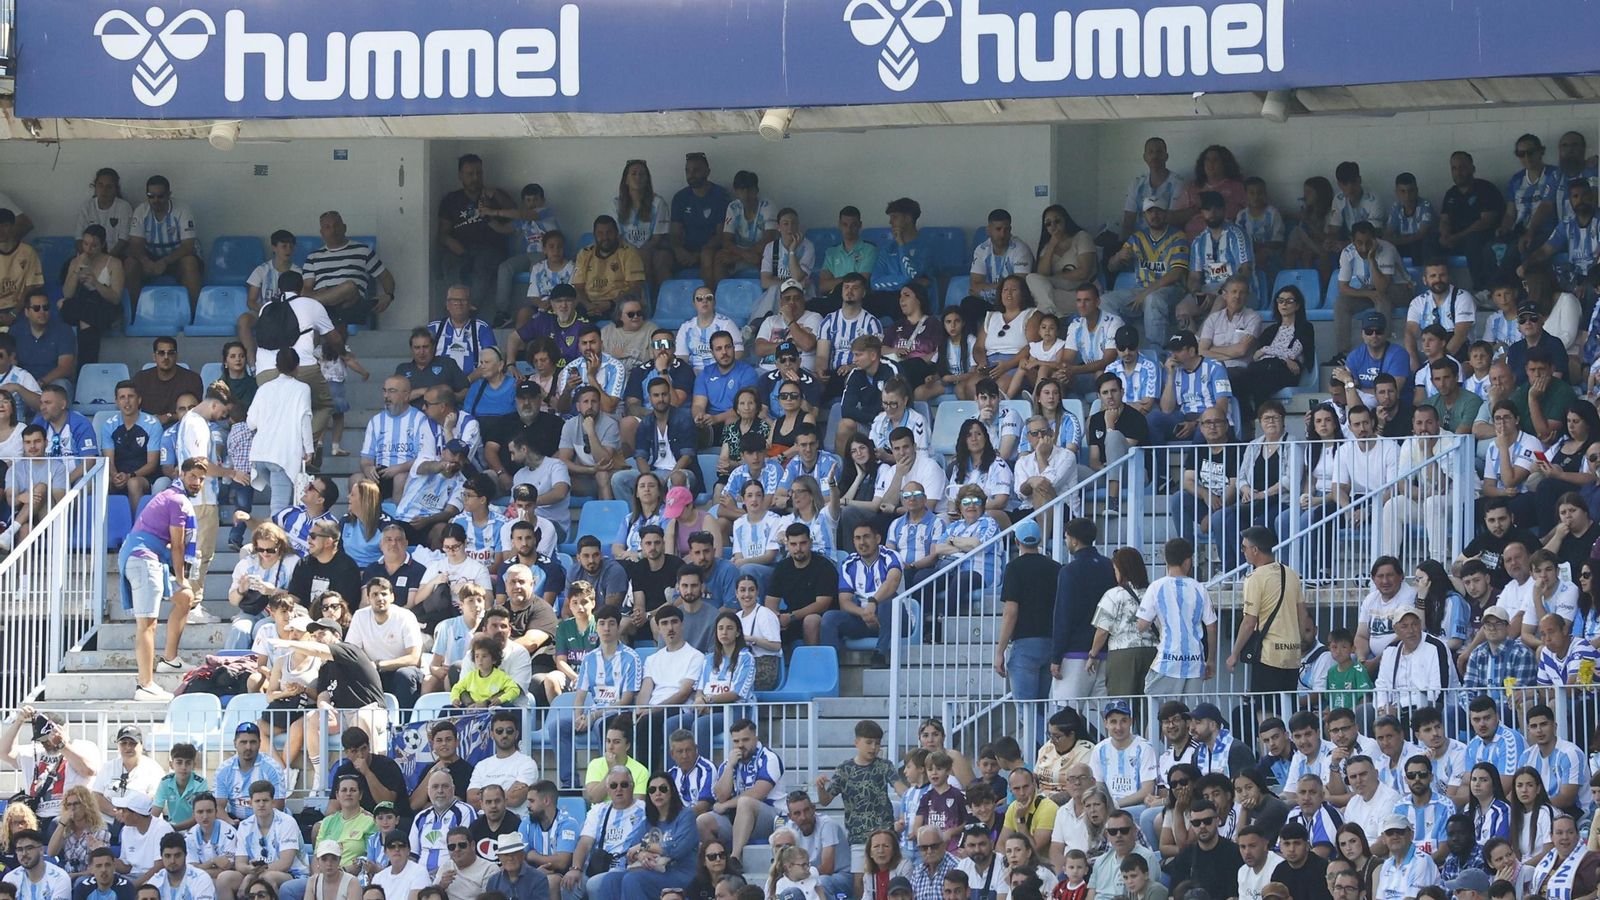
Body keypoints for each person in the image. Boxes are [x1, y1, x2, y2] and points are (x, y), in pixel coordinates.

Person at [118, 456, 204, 700]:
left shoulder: (174, 496)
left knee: (184, 598)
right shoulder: (177, 500)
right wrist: (181, 577)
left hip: (149, 558)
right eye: (192, 477)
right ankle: (144, 685)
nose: (197, 482)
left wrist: (182, 583)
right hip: (142, 559)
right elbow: (177, 546)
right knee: (147, 624)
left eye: (201, 478)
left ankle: (170, 660)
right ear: (180, 475)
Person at [1228, 528, 1309, 694]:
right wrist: (1300, 641)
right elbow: (1302, 614)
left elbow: (1249, 623)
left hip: (1269, 655)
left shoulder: (1255, 578)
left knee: (1265, 710)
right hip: (1292, 653)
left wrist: (1234, 653)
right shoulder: (1291, 574)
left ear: (1255, 550)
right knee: (1287, 708)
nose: (1243, 552)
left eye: (1244, 548)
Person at [1101, 198, 1190, 348]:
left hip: (1172, 291)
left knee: (1153, 299)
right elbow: (1111, 268)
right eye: (1150, 211)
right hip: (1141, 290)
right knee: (1105, 301)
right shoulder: (1137, 237)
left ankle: (1155, 352)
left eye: (1159, 210)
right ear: (1144, 215)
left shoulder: (1177, 236)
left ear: (1166, 213)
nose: (1155, 215)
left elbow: (1176, 273)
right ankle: (1121, 343)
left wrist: (1145, 294)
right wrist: (1118, 257)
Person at [1137, 538, 1219, 696]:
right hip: (1195, 661)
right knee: (1190, 716)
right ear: (1188, 561)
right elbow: (1212, 626)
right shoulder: (1199, 588)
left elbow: (1142, 625)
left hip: (1167, 660)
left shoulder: (1156, 587)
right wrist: (1211, 660)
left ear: (1165, 559)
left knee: (1159, 712)